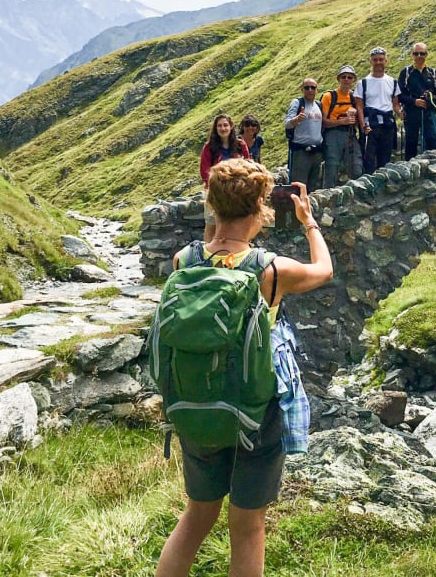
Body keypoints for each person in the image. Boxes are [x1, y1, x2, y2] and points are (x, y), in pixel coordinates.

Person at [154, 159, 333, 577]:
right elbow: (324, 270)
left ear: (211, 206)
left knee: (198, 514)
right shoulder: (270, 270)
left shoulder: (185, 260)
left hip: (196, 402)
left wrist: (215, 224)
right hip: (255, 411)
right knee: (248, 525)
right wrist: (309, 222)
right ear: (259, 209)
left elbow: (209, 256)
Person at [200, 114, 251, 242]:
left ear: (231, 126)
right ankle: (208, 254)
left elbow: (248, 167)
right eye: (219, 126)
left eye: (225, 125)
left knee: (235, 224)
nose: (223, 128)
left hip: (236, 192)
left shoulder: (240, 145)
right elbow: (204, 171)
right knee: (212, 224)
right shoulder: (209, 147)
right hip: (215, 192)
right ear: (215, 129)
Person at [355, 47, 401, 174]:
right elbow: (359, 106)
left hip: (387, 125)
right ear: (371, 62)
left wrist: (402, 115)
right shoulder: (362, 83)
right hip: (370, 125)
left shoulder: (393, 82)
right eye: (375, 60)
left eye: (381, 59)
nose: (378, 62)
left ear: (386, 61)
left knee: (385, 159)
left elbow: (395, 104)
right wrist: (363, 126)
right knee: (368, 159)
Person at [321, 65, 364, 188]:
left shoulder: (354, 97)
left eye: (349, 77)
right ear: (338, 79)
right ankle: (327, 197)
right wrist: (342, 121)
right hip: (332, 134)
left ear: (353, 80)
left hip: (350, 135)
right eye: (343, 77)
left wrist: (354, 122)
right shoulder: (328, 96)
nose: (346, 79)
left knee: (357, 167)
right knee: (332, 168)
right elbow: (323, 122)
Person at [398, 42, 436, 159]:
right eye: (416, 53)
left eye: (422, 53)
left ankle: (434, 168)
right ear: (412, 55)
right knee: (411, 142)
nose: (419, 56)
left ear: (426, 54)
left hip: (428, 112)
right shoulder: (406, 72)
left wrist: (430, 98)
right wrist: (414, 101)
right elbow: (400, 95)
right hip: (411, 113)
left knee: (432, 141)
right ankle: (409, 170)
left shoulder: (433, 73)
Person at [284, 78, 325, 193]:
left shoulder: (319, 105)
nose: (310, 90)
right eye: (307, 87)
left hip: (317, 152)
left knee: (313, 188)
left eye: (313, 87)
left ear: (317, 90)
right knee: (298, 187)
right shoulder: (297, 103)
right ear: (302, 89)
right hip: (301, 152)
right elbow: (287, 124)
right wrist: (296, 119)